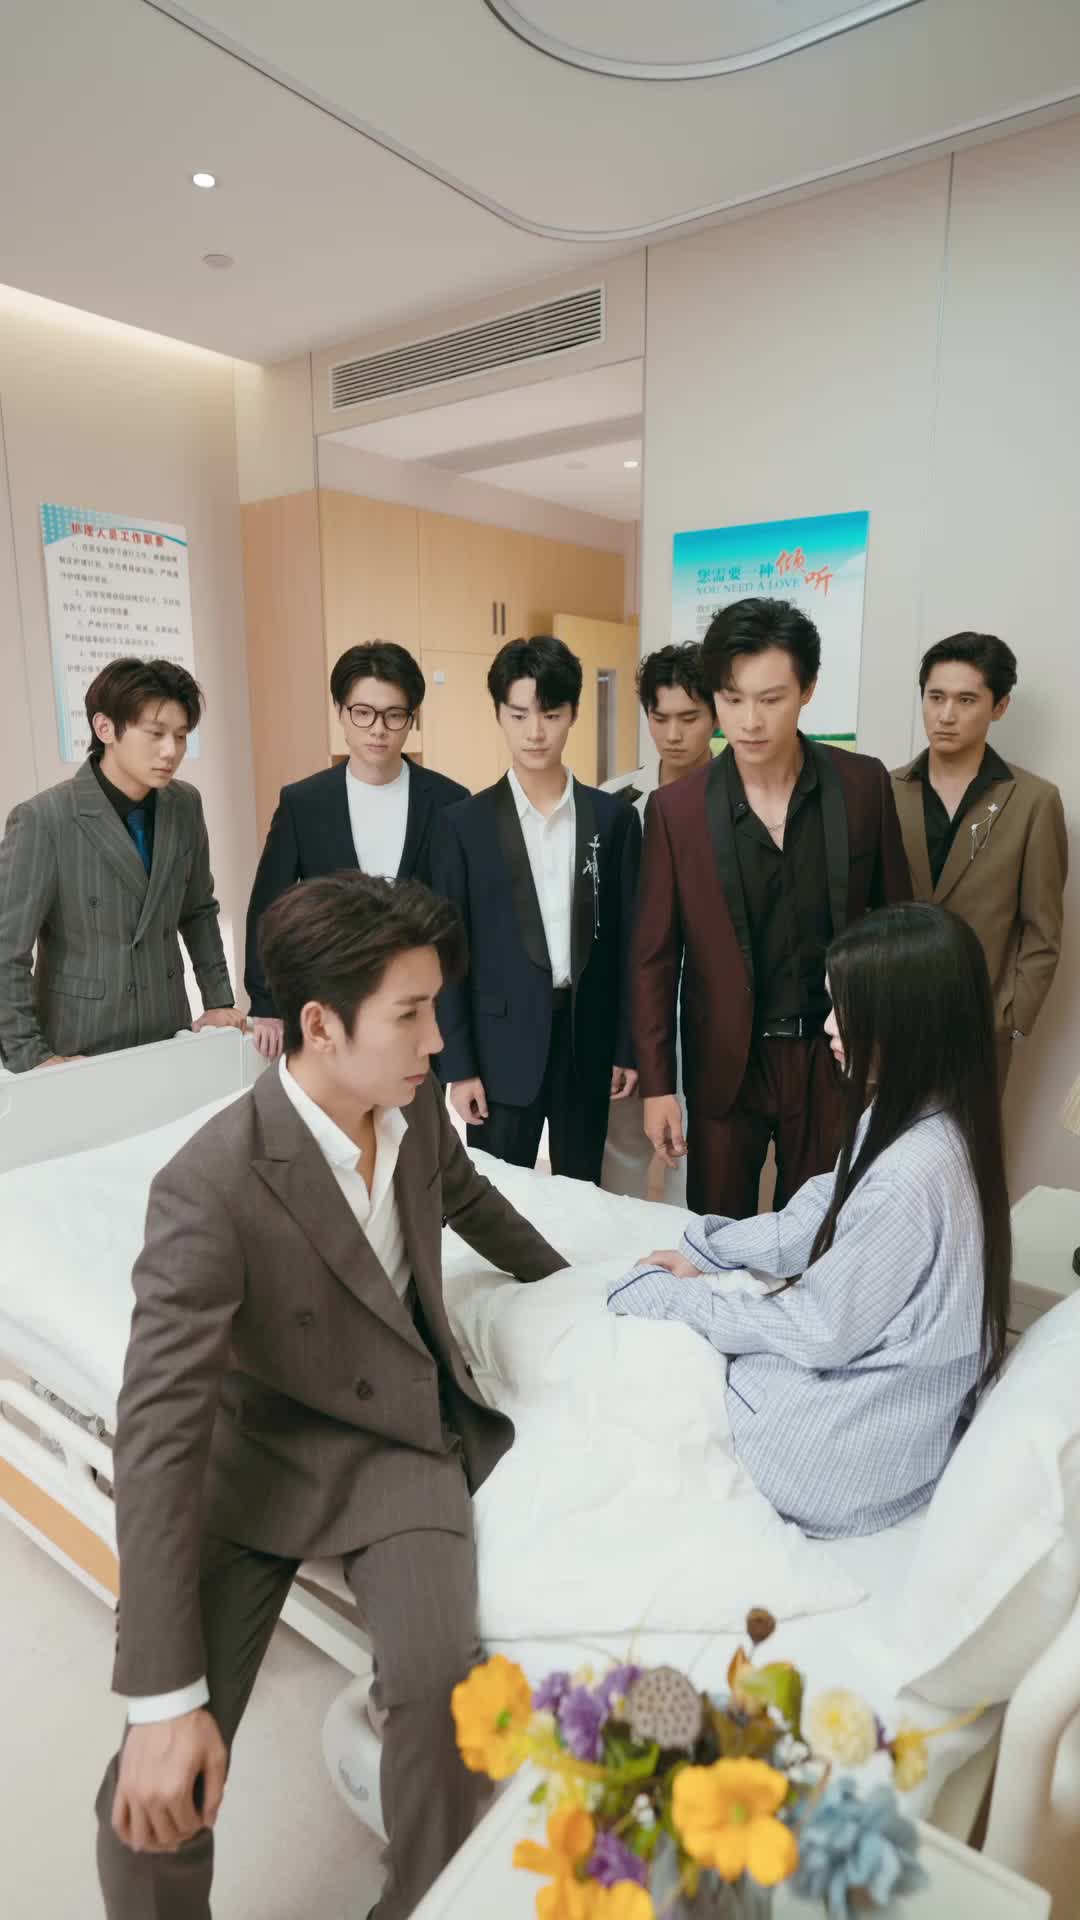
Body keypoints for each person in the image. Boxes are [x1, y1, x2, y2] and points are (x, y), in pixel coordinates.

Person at [95, 872, 567, 1920]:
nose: (436, 1040)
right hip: (256, 1456)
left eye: (435, 1009)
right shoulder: (209, 1184)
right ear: (319, 1024)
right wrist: (162, 1699)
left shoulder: (414, 1111)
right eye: (410, 1014)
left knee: (442, 1704)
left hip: (401, 1441)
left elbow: (475, 1203)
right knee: (146, 1800)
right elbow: (158, 1433)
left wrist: (589, 1290)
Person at [609, 903, 1010, 1540]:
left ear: (906, 1019)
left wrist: (678, 1300)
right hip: (881, 1420)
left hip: (841, 1452)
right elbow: (824, 1204)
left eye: (844, 1009)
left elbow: (820, 1327)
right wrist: (710, 1250)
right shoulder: (929, 1113)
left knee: (647, 1357)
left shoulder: (913, 1174)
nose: (826, 1026)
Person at [633, 597, 910, 1219]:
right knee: (716, 1233)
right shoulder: (676, 811)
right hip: (725, 1061)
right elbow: (653, 957)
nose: (750, 721)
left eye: (771, 699)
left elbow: (897, 925)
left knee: (820, 1232)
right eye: (732, 700)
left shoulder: (863, 785)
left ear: (807, 690)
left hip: (830, 1057)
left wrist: (883, 1045)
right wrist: (658, 1086)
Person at [432, 635, 641, 1185]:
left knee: (584, 1195)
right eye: (519, 714)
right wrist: (459, 1066)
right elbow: (448, 955)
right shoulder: (462, 825)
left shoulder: (613, 820)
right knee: (500, 1198)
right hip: (498, 1050)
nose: (535, 732)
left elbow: (629, 943)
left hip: (587, 1041)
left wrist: (627, 1046)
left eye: (550, 714)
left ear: (573, 714)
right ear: (499, 714)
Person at [0, 657, 242, 1073]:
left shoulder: (185, 804)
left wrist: (219, 1001)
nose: (171, 751)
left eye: (181, 736)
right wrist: (31, 1057)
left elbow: (198, 911)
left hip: (170, 1031)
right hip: (77, 1047)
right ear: (105, 728)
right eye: (155, 734)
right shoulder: (44, 819)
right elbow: (7, 950)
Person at [245, 641, 468, 1062]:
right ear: (340, 712)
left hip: (421, 1011)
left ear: (412, 718)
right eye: (363, 713)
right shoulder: (303, 803)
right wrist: (265, 1003)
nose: (378, 729)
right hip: (334, 1006)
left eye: (394, 715)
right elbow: (268, 905)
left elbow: (461, 916)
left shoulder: (450, 802)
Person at [892, 632, 1067, 1092]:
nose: (946, 715)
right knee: (875, 1139)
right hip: (885, 1020)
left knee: (967, 1141)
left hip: (977, 1028)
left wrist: (1011, 1018)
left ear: (999, 706)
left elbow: (1043, 928)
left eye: (966, 700)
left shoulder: (1033, 801)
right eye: (936, 697)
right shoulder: (883, 790)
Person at [601, 641, 716, 1203]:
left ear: (715, 715)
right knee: (620, 1143)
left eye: (689, 718)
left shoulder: (738, 800)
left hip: (706, 997)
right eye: (659, 717)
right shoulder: (615, 800)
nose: (673, 734)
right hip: (630, 995)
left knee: (689, 1148)